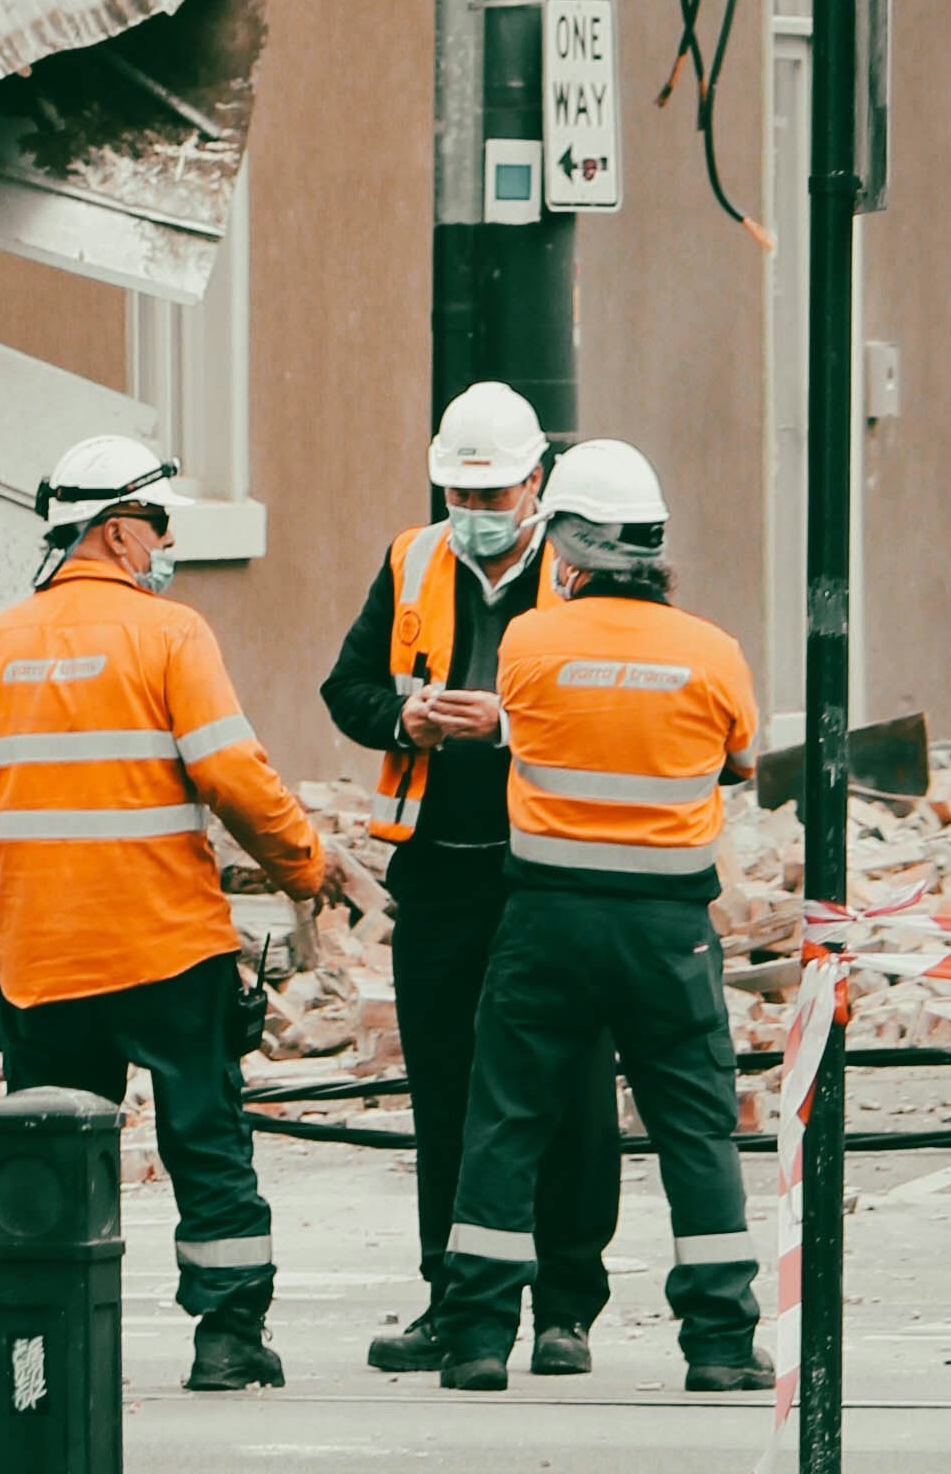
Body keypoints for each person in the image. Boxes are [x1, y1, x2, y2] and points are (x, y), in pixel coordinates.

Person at [0, 434, 333, 1393]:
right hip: (169, 949)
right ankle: (227, 1341)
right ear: (118, 529)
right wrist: (303, 866)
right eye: (160, 522)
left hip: (44, 959)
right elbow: (230, 773)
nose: (167, 540)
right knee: (206, 1142)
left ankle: (43, 1356)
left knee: (50, 1153)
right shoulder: (171, 635)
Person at [431, 438, 773, 1393]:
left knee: (505, 1123)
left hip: (547, 922)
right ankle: (716, 1342)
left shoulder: (530, 642)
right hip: (668, 928)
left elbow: (512, 727)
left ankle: (476, 1339)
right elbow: (741, 761)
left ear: (573, 552)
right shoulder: (713, 652)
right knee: (695, 1131)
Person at [317, 381, 621, 1377]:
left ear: (538, 483)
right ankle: (456, 1298)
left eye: (495, 497)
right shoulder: (412, 562)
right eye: (462, 495)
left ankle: (566, 1306)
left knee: (567, 1088)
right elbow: (349, 686)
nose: (478, 516)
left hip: (546, 872)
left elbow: (609, 710)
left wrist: (510, 724)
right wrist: (404, 722)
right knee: (448, 1093)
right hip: (442, 873)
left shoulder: (581, 572)